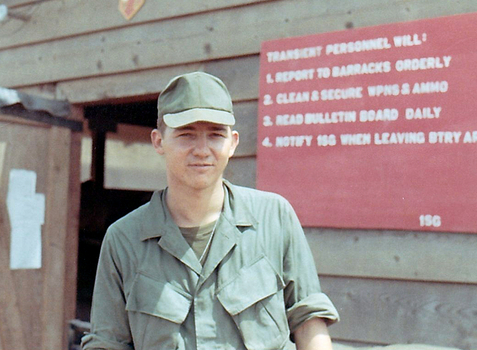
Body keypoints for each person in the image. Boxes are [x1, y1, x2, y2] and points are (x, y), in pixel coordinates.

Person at [82, 72, 339, 350]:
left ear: (233, 142)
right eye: (186, 135)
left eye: (216, 135)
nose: (202, 150)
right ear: (158, 142)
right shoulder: (123, 240)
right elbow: (107, 344)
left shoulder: (274, 217)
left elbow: (309, 320)